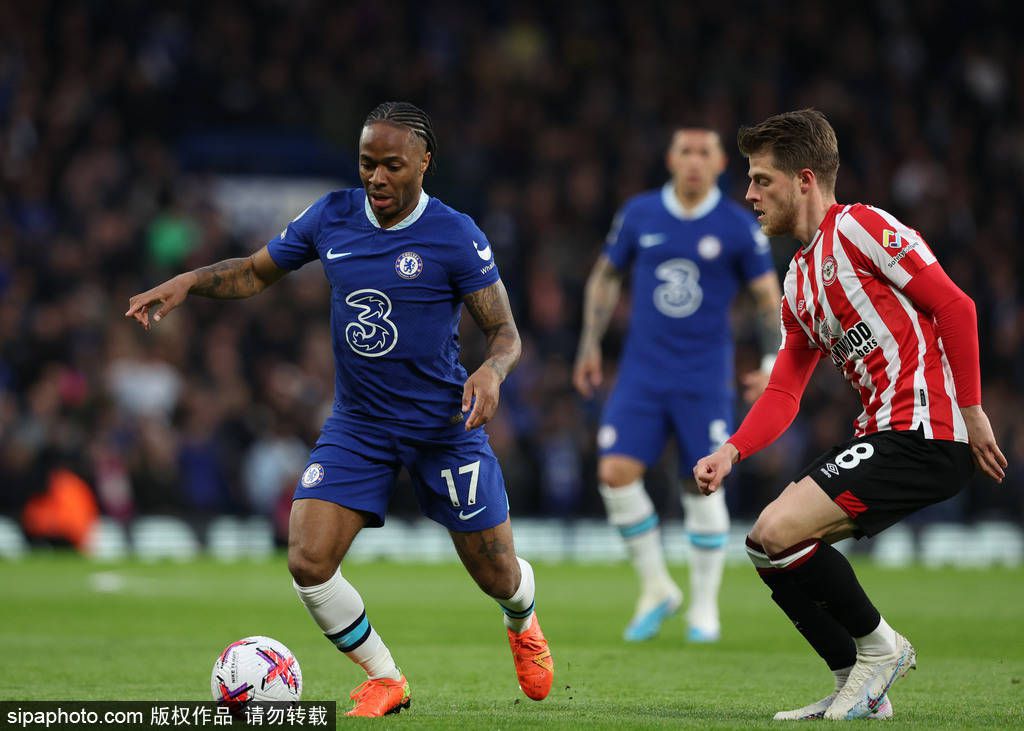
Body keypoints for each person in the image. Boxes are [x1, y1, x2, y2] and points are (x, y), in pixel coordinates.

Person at [126, 102, 553, 717]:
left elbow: (506, 332)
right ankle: (386, 678)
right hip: (360, 425)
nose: (376, 178)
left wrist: (491, 370)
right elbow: (253, 273)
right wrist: (189, 281)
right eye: (366, 164)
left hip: (444, 427)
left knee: (497, 573)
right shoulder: (332, 216)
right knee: (308, 558)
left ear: (425, 164)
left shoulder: (457, 235)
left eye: (391, 166)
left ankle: (523, 618)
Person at [694, 108, 1007, 721]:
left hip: (924, 430)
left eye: (762, 180)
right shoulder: (798, 280)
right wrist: (732, 450)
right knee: (766, 545)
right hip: (887, 435)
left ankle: (881, 648)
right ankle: (858, 684)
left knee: (778, 529)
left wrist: (972, 413)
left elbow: (957, 308)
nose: (749, 194)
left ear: (805, 180)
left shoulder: (862, 228)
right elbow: (785, 391)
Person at [573, 125, 782, 642]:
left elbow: (765, 297)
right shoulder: (640, 214)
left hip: (704, 375)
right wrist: (590, 342)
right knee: (615, 471)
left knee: (702, 480)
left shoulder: (737, 225)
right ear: (670, 158)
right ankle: (657, 588)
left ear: (718, 164)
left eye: (704, 152)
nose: (693, 160)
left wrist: (775, 357)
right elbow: (605, 277)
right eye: (685, 150)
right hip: (643, 372)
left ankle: (704, 610)